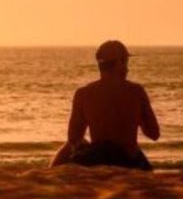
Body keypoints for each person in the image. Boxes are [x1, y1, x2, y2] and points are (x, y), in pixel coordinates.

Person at [50, 40, 160, 170]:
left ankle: (49, 174)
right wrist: (136, 117)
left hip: (98, 159)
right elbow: (154, 134)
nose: (127, 68)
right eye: (125, 62)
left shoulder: (83, 94)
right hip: (128, 160)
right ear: (120, 63)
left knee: (69, 147)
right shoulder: (136, 91)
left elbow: (74, 138)